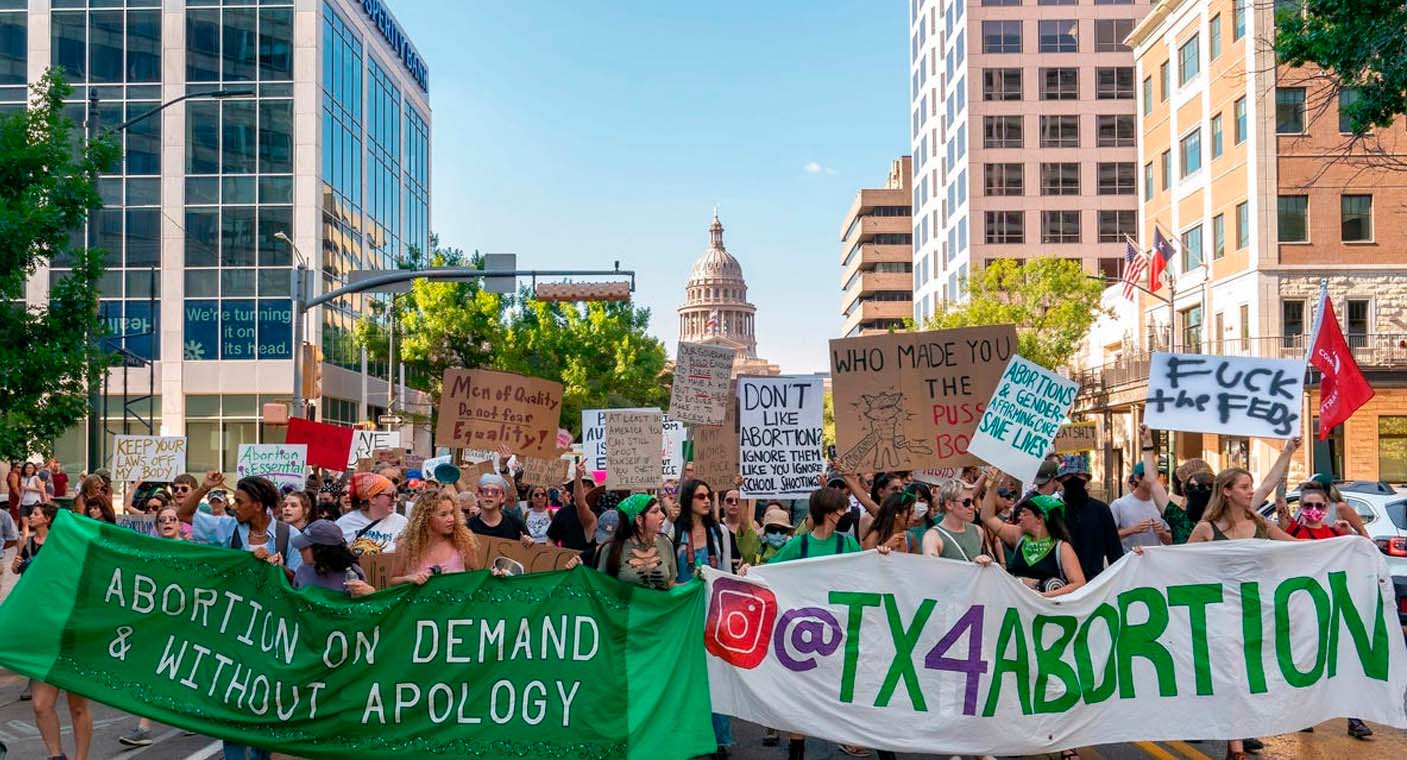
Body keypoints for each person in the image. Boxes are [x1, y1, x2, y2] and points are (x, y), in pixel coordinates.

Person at [1271, 480, 1371, 739]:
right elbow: (1280, 501)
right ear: (1300, 507)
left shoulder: (1337, 534)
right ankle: (1305, 713)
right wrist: (1286, 457)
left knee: (1343, 661)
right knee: (1307, 661)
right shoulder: (1293, 530)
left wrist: (1351, 532)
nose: (1313, 509)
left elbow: (1364, 553)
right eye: (1307, 505)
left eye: (1318, 505)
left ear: (1326, 507)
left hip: (1333, 607)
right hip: (1304, 609)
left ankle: (1355, 719)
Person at [14, 503, 94, 760]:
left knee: (78, 706)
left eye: (38, 513)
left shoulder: (70, 551)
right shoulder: (27, 544)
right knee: (40, 706)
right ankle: (57, 756)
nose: (32, 517)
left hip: (72, 635)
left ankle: (81, 758)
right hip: (43, 634)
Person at [118, 505, 185, 746]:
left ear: (180, 524)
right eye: (162, 520)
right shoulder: (151, 552)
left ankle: (188, 715)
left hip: (186, 623)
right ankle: (144, 727)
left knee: (181, 670)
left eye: (172, 519)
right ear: (157, 526)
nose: (167, 522)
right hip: (157, 621)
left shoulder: (193, 550)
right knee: (153, 669)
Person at [178, 472, 303, 574]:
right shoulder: (228, 527)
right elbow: (184, 514)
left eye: (239, 502)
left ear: (258, 506)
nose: (233, 507)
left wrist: (276, 567)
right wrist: (204, 487)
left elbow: (299, 582)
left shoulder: (290, 536)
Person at [981, 491, 1086, 599]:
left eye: (1025, 513)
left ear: (1040, 518)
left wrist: (1042, 597)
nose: (1020, 517)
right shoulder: (1018, 536)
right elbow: (987, 517)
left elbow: (1078, 584)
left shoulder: (1062, 548)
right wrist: (992, 484)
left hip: (1045, 611)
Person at [1055, 454, 1126, 578]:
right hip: (1061, 584)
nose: (1073, 479)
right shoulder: (1054, 511)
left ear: (1086, 478)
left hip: (1095, 584)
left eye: (1078, 475)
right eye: (1069, 476)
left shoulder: (1101, 510)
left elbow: (1115, 552)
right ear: (1061, 480)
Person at [391, 491, 484, 585]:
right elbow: (393, 581)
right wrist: (408, 578)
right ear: (426, 518)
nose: (451, 519)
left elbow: (476, 578)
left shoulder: (463, 541)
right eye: (443, 514)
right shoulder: (406, 545)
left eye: (452, 512)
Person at [597, 494, 675, 590]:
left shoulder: (666, 544)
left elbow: (672, 585)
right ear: (639, 519)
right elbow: (600, 587)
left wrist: (696, 583)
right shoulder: (611, 548)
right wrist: (576, 566)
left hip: (660, 605)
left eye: (660, 510)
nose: (663, 515)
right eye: (655, 512)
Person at [1109, 437, 1173, 553]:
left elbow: (1171, 541)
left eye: (1157, 476)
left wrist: (1162, 533)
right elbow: (1107, 537)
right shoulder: (1119, 505)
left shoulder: (1162, 504)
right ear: (1138, 478)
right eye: (1149, 476)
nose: (1154, 480)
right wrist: (1132, 530)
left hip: (1154, 563)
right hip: (1129, 562)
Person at [290, 519, 375, 596]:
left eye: (305, 547)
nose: (300, 550)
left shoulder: (352, 573)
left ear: (320, 550)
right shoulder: (302, 571)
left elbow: (362, 607)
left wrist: (370, 594)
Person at [672, 479, 735, 581]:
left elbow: (727, 572)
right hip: (684, 595)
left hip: (712, 595)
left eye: (709, 496)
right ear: (688, 499)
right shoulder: (675, 530)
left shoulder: (720, 531)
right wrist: (670, 519)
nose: (707, 501)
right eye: (701, 497)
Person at [922, 478, 992, 565]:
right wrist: (970, 567)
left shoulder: (978, 531)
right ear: (949, 504)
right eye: (966, 502)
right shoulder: (933, 537)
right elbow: (931, 569)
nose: (972, 507)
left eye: (972, 501)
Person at [336, 472, 408, 556]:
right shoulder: (344, 524)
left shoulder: (401, 523)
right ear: (373, 498)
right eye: (390, 495)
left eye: (396, 495)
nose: (396, 500)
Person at [468, 473, 533, 544]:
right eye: (484, 491)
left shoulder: (515, 524)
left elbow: (530, 552)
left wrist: (528, 543)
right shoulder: (468, 527)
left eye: (494, 492)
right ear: (478, 496)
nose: (489, 494)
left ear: (502, 497)